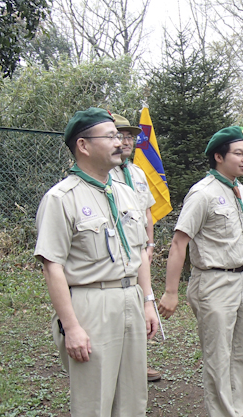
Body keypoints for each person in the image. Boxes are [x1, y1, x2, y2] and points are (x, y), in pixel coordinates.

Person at [34, 107, 158, 417]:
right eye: (111, 136)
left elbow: (139, 254)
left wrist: (147, 301)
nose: (120, 142)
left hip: (130, 299)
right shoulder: (62, 198)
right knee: (94, 403)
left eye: (120, 137)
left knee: (133, 398)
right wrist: (71, 325)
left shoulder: (126, 193)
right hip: (91, 304)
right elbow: (53, 265)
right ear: (84, 145)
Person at [157, 126, 243, 417]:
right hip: (213, 282)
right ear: (219, 156)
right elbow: (179, 243)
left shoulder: (241, 191)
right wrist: (171, 291)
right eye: (238, 152)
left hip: (241, 279)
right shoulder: (202, 193)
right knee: (219, 356)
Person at [111, 113, 161, 382]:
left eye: (131, 136)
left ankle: (138, 363)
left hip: (139, 248)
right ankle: (117, 364)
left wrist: (150, 243)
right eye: (121, 135)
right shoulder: (105, 173)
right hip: (116, 250)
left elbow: (147, 212)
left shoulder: (137, 172)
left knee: (142, 302)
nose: (128, 140)